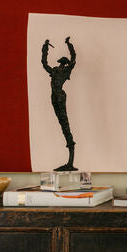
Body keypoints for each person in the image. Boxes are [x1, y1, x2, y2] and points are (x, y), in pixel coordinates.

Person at [41, 36, 77, 171]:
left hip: (60, 97)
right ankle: (69, 160)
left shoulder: (66, 70)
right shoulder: (55, 71)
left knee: (65, 123)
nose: (63, 64)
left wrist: (69, 44)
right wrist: (45, 47)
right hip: (54, 97)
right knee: (62, 124)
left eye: (63, 62)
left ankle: (70, 159)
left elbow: (73, 57)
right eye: (62, 62)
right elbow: (44, 63)